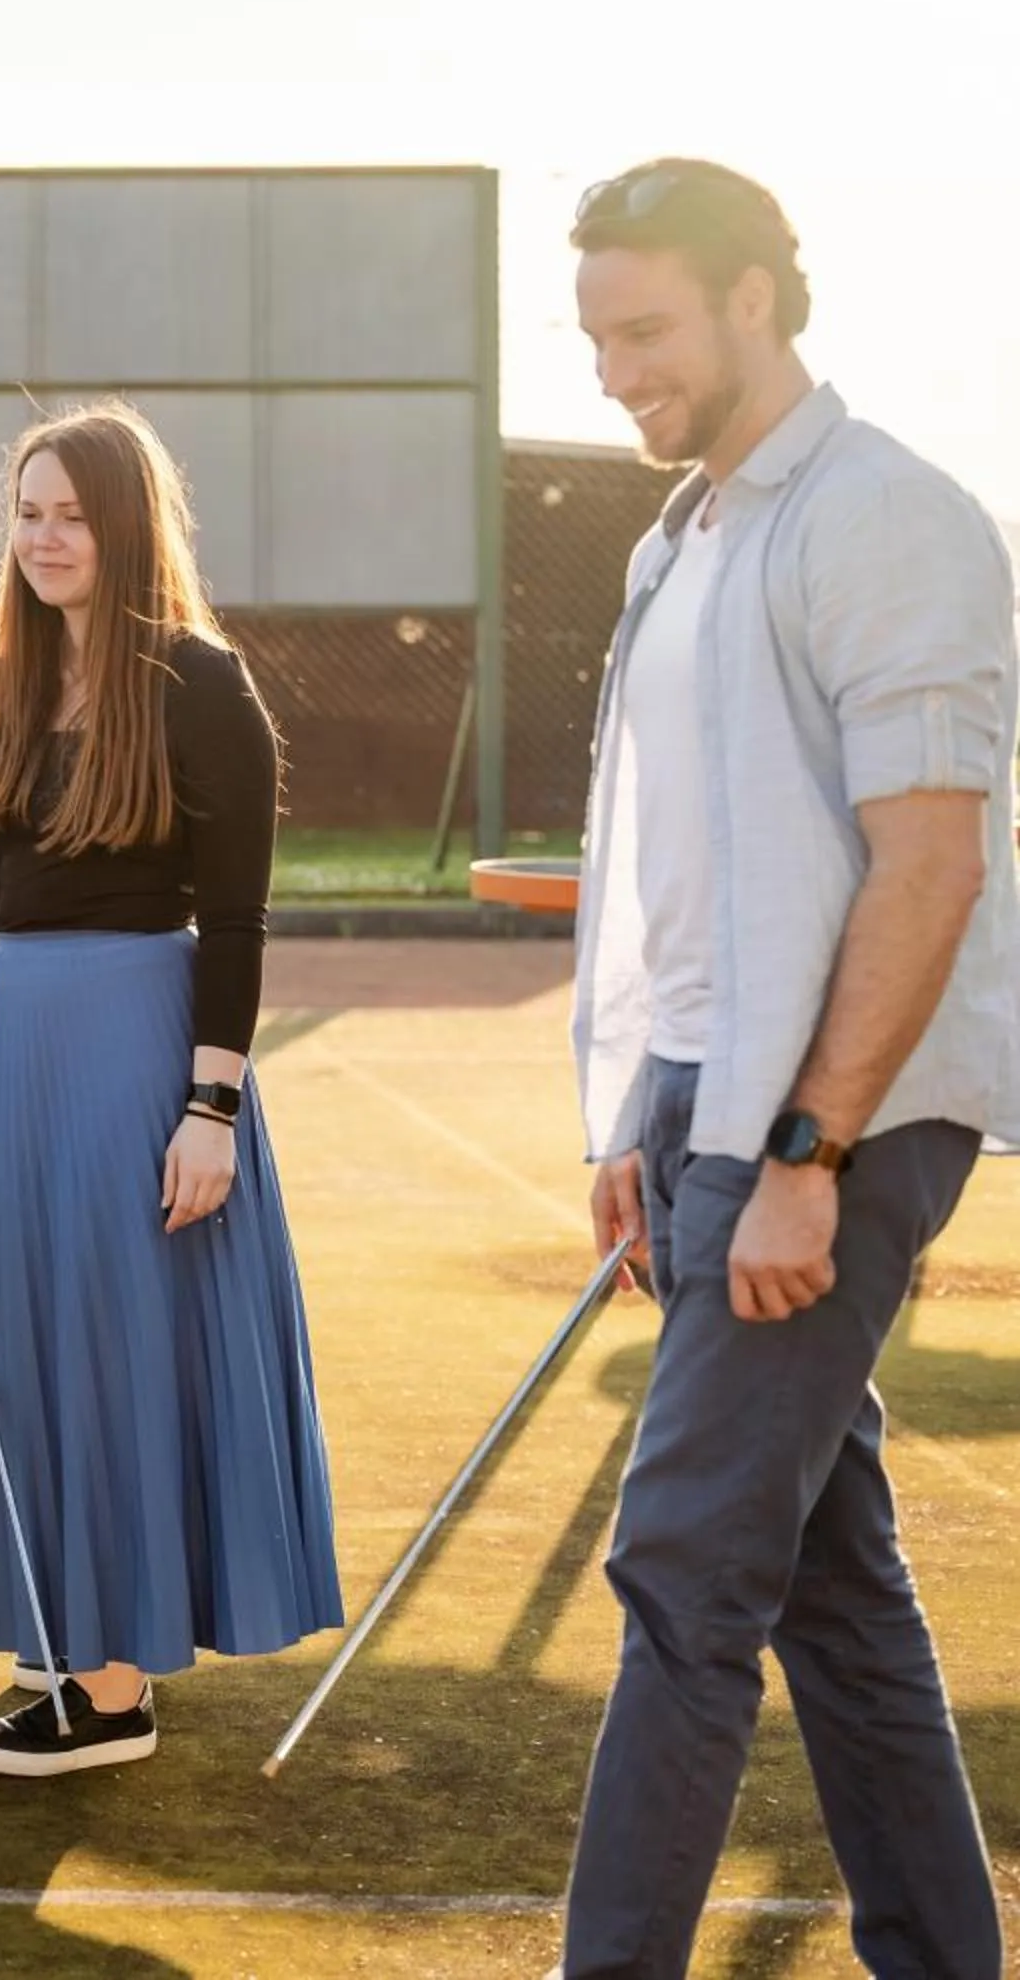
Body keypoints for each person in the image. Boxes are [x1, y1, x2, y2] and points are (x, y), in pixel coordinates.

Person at [556, 160, 1017, 1979]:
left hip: (835, 1113)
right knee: (833, 1587)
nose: (617, 371)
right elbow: (683, 864)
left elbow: (932, 860)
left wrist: (806, 1151)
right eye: (595, 337)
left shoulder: (888, 517)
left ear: (762, 299)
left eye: (648, 329)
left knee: (682, 1571)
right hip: (697, 1099)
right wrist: (632, 1122)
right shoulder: (680, 539)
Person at [0, 401, 339, 1777]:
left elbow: (239, 920)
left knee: (128, 1343)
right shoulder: (6, 680)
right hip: (21, 1045)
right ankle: (67, 1629)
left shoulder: (202, 682)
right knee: (34, 1335)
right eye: (28, 509)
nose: (44, 535)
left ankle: (117, 1685)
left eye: (72, 512)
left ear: (128, 524)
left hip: (141, 1041)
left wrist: (213, 1110)